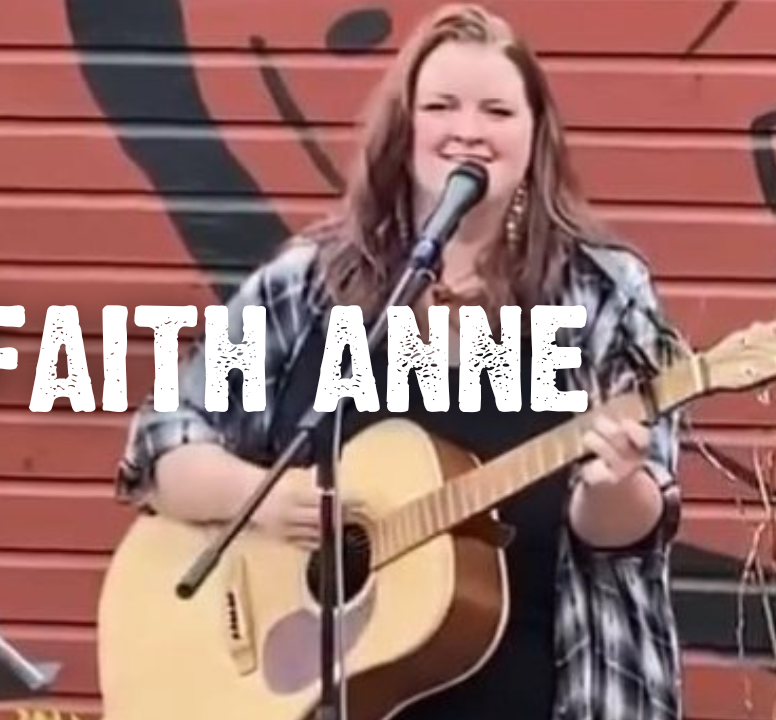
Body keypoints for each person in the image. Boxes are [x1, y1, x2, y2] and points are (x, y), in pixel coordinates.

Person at [113, 4, 687, 720]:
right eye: (441, 105)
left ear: (535, 135)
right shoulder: (312, 283)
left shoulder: (600, 293)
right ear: (404, 127)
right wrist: (259, 501)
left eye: (497, 109)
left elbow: (631, 527)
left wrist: (614, 483)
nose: (468, 129)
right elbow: (163, 438)